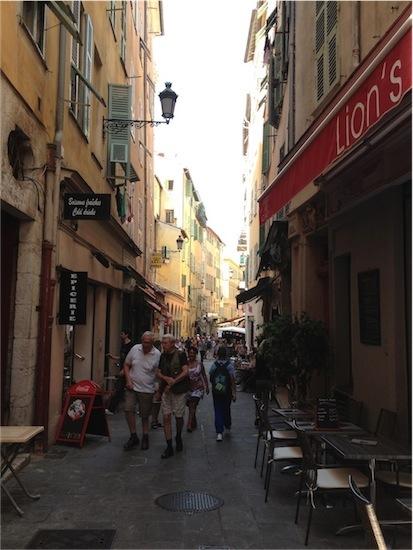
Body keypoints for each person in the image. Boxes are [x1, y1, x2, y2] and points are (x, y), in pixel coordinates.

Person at [122, 331, 161, 451]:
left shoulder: (157, 354)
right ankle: (133, 435)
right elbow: (126, 364)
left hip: (147, 388)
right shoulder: (135, 349)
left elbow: (158, 373)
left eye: (147, 342)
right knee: (128, 409)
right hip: (132, 386)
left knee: (144, 415)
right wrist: (128, 380)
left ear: (152, 343)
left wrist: (157, 388)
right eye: (143, 341)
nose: (145, 344)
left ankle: (145, 436)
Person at [157, 334, 189, 459]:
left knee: (179, 417)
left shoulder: (181, 354)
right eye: (162, 343)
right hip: (166, 391)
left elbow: (185, 371)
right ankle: (169, 446)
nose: (163, 345)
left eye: (165, 343)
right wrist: (166, 379)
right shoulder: (162, 356)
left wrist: (173, 381)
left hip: (179, 391)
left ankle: (179, 435)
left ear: (172, 343)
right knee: (166, 417)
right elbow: (158, 372)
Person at [210, 346, 236, 442]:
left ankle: (219, 432)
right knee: (226, 408)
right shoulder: (229, 365)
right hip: (227, 391)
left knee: (217, 410)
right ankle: (227, 425)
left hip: (216, 391)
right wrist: (234, 393)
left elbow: (211, 375)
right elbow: (233, 379)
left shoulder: (214, 365)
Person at [105, 329, 135, 415]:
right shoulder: (123, 345)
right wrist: (113, 357)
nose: (120, 335)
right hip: (123, 370)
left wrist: (124, 370)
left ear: (126, 335)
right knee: (120, 389)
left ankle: (112, 409)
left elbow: (131, 359)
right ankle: (113, 408)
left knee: (119, 389)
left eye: (122, 334)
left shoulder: (131, 346)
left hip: (126, 371)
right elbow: (123, 358)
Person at [186, 346, 209, 432]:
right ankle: (193, 420)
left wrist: (206, 386)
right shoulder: (185, 364)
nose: (191, 354)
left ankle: (189, 424)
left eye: (193, 353)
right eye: (190, 353)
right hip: (188, 388)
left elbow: (203, 375)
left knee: (193, 403)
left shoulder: (199, 364)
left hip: (198, 388)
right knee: (191, 406)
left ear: (196, 354)